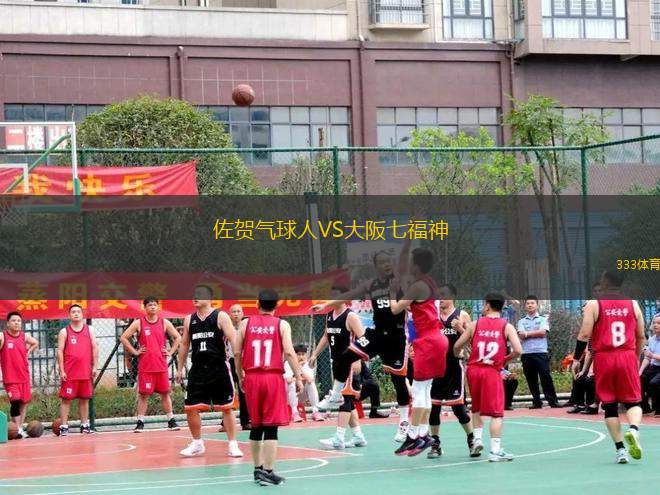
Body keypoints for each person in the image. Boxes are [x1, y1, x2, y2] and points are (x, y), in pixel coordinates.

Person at [312, 248, 411, 442]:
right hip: (377, 335)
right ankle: (336, 394)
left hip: (396, 339)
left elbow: (405, 256)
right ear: (376, 266)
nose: (386, 264)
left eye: (388, 261)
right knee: (345, 357)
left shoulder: (399, 281)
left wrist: (410, 234)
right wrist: (325, 305)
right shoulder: (371, 284)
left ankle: (404, 423)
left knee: (398, 381)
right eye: (382, 262)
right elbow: (350, 293)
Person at [572, 270, 646, 464]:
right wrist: (635, 357)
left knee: (610, 406)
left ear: (605, 281)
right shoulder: (633, 304)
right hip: (627, 355)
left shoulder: (594, 304)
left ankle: (620, 450)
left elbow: (584, 334)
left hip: (605, 358)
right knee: (633, 402)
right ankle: (633, 430)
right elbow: (641, 336)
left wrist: (576, 359)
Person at [235, 289, 302, 486]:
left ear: (257, 304)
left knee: (256, 424)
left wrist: (240, 375)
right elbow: (289, 352)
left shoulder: (245, 323)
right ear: (277, 305)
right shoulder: (282, 324)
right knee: (271, 426)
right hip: (272, 377)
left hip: (252, 377)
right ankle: (269, 471)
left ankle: (257, 470)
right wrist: (298, 376)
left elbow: (237, 352)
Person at [389, 247, 449, 457]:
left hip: (428, 341)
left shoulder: (417, 286)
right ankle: (422, 434)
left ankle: (414, 435)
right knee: (425, 390)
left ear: (416, 265)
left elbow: (395, 309)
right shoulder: (429, 283)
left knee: (418, 391)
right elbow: (418, 308)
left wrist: (392, 292)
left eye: (410, 261)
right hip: (437, 339)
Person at [175, 285, 243, 458]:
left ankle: (233, 444)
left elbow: (233, 339)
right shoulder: (189, 319)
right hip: (198, 369)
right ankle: (197, 443)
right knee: (190, 408)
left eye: (199, 295)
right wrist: (179, 368)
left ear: (210, 298)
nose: (195, 297)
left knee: (226, 408)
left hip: (219, 367)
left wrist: (240, 365)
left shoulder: (221, 316)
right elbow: (184, 344)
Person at [454, 293, 522, 462]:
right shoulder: (506, 326)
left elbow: (457, 345)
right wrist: (505, 359)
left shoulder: (474, 324)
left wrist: (457, 355)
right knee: (496, 413)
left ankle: (477, 439)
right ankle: (495, 451)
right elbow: (518, 350)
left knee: (476, 406)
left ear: (487, 306)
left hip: (473, 370)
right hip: (491, 370)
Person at [310, 287, 368, 450]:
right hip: (337, 363)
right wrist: (314, 354)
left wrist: (357, 358)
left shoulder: (350, 316)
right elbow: (326, 336)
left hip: (349, 363)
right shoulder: (329, 315)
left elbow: (363, 339)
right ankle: (358, 436)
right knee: (346, 399)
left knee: (345, 399)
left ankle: (339, 438)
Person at [428, 284, 477, 458]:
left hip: (454, 367)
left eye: (444, 294)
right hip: (435, 367)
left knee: (458, 409)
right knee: (433, 408)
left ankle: (472, 440)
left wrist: (461, 329)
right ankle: (435, 444)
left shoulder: (462, 315)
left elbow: (473, 341)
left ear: (453, 297)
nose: (440, 298)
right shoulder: (433, 316)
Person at [119, 297, 182, 432]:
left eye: (155, 305)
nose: (153, 307)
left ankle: (171, 420)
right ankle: (140, 422)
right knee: (144, 395)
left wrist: (171, 351)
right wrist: (135, 352)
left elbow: (178, 337)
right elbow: (123, 337)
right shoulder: (139, 323)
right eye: (150, 305)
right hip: (146, 367)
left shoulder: (164, 322)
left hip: (161, 366)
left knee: (165, 393)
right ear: (145, 307)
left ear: (158, 307)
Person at [57, 304, 100, 436]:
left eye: (78, 312)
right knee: (66, 399)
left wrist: (95, 366)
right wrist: (62, 370)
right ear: (69, 315)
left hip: (85, 371)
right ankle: (64, 426)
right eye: (73, 312)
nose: (76, 314)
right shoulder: (64, 332)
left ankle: (84, 425)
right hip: (70, 372)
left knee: (84, 399)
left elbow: (95, 348)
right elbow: (60, 351)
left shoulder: (90, 330)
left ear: (82, 315)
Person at [0, 312, 38, 439]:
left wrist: (28, 352)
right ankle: (16, 429)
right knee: (15, 401)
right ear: (8, 323)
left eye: (19, 321)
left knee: (24, 402)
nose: (16, 323)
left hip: (24, 375)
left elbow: (35, 342)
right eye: (14, 320)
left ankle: (19, 428)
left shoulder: (24, 336)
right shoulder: (3, 336)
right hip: (10, 377)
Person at [517, 296, 559, 408]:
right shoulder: (521, 321)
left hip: (541, 352)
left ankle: (553, 401)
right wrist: (534, 333)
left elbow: (543, 333)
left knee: (546, 377)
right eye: (528, 303)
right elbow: (521, 335)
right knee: (531, 379)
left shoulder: (542, 319)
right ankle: (536, 401)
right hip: (526, 353)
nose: (530, 305)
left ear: (537, 305)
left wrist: (527, 334)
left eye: (532, 303)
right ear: (525, 306)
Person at [220, 304, 250, 432]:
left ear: (242, 313)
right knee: (228, 392)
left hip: (244, 361)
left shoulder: (247, 327)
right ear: (229, 314)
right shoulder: (224, 327)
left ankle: (246, 421)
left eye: (238, 311)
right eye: (233, 312)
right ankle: (225, 423)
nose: (236, 314)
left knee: (244, 391)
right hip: (229, 361)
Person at [285, 344, 325, 422]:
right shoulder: (288, 363)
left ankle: (315, 411)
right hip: (288, 397)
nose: (301, 357)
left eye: (303, 354)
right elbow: (288, 380)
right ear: (294, 355)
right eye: (298, 354)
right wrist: (297, 375)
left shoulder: (308, 365)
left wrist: (300, 368)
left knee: (311, 384)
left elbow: (310, 380)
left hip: (301, 395)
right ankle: (294, 413)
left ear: (306, 355)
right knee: (291, 384)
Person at [639, 314, 660, 417]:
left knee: (654, 383)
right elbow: (647, 358)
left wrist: (652, 355)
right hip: (653, 367)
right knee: (638, 379)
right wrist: (640, 371)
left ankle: (658, 409)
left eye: (658, 323)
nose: (655, 325)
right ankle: (646, 408)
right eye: (654, 323)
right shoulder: (651, 339)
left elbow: (650, 355)